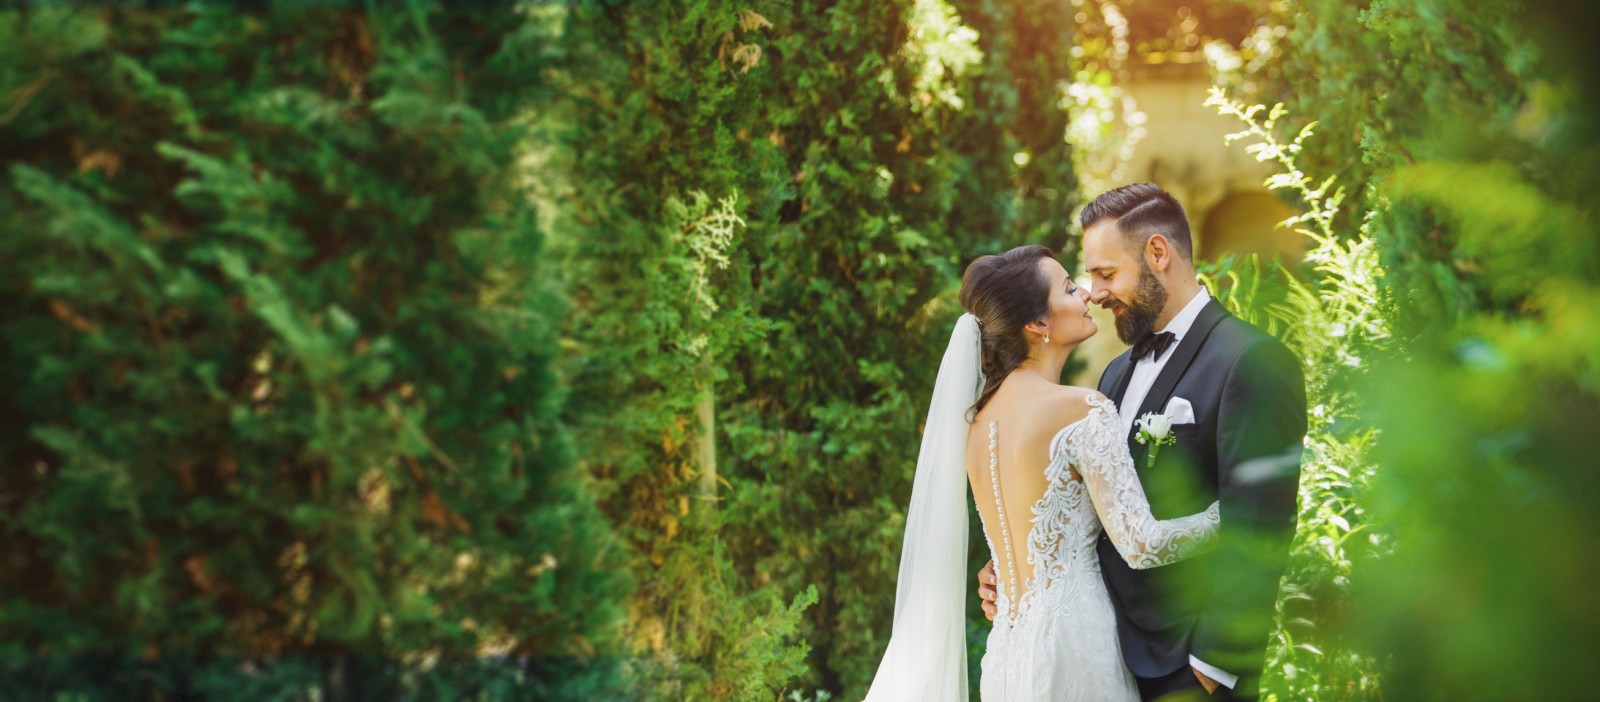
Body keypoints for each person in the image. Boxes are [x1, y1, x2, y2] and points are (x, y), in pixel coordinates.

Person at [977, 184, 1306, 700]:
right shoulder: (1114, 375)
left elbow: (1263, 526)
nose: (1096, 292)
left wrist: (1212, 667)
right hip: (1101, 657)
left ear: (1158, 253)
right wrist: (1017, 565)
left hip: (1189, 670)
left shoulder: (1253, 362)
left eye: (1106, 274)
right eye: (1087, 278)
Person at [864, 242, 1223, 701]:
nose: (1089, 296)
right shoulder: (1080, 407)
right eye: (1071, 288)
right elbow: (1140, 543)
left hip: (1007, 656)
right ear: (1037, 324)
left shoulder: (975, 426)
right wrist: (1227, 517)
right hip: (1076, 647)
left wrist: (992, 576)